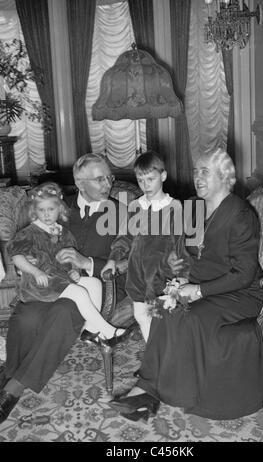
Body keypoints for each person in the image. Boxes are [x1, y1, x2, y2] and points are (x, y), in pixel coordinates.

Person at [109, 148, 263, 422]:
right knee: (162, 308)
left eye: (204, 171)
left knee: (189, 316)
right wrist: (184, 279)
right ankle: (148, 389)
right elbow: (195, 256)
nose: (197, 177)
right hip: (208, 285)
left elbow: (243, 273)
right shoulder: (199, 209)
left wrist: (199, 290)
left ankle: (156, 391)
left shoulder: (240, 215)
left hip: (242, 294)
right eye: (195, 171)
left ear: (225, 176)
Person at [0, 153, 131, 424]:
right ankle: (11, 372)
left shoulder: (120, 212)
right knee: (27, 316)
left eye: (109, 177)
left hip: (96, 285)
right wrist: (34, 261)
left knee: (64, 312)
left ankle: (12, 391)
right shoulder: (57, 207)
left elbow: (124, 256)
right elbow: (29, 238)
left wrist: (87, 262)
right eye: (99, 179)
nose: (108, 183)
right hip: (53, 282)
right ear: (80, 183)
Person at [7, 181, 126, 342]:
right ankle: (107, 331)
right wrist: (36, 271)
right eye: (42, 210)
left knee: (94, 283)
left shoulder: (65, 233)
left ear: (60, 209)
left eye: (51, 209)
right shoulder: (29, 232)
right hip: (41, 282)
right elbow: (16, 256)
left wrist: (74, 271)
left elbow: (72, 260)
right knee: (79, 292)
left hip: (60, 278)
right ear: (35, 211)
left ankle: (91, 330)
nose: (46, 214)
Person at [101, 151, 190, 342]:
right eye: (141, 180)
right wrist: (112, 259)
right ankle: (153, 358)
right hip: (137, 276)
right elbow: (124, 237)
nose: (145, 185)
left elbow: (180, 245)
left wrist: (181, 277)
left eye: (150, 179)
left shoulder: (174, 207)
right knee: (142, 316)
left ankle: (165, 361)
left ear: (163, 176)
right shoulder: (135, 206)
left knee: (161, 320)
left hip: (162, 276)